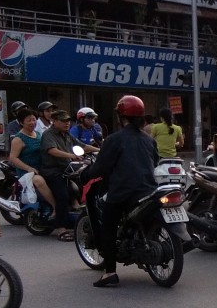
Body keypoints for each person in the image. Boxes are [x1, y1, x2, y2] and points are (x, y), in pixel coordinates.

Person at [84, 95, 160, 288]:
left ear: (121, 116)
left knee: (108, 226)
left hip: (124, 193)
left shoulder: (114, 139)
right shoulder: (148, 140)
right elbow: (155, 162)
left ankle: (109, 272)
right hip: (149, 190)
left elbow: (100, 168)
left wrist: (86, 174)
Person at [39, 109, 99, 241]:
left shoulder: (67, 134)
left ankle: (81, 217)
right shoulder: (48, 134)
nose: (67, 123)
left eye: (68, 121)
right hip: (52, 171)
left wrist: (101, 150)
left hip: (68, 169)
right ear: (54, 121)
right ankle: (61, 228)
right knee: (63, 194)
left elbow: (83, 146)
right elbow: (52, 150)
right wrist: (71, 155)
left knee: (86, 186)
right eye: (63, 121)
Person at [7, 108, 56, 210]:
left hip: (42, 168)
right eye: (29, 120)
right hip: (27, 172)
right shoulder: (18, 139)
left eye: (34, 120)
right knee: (39, 181)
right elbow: (13, 158)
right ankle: (55, 207)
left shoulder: (38, 134)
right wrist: (29, 168)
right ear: (21, 122)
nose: (32, 123)